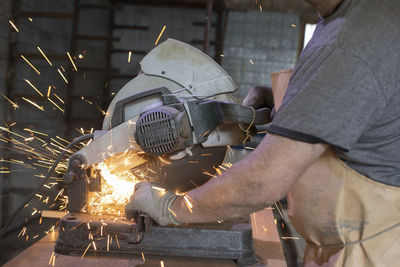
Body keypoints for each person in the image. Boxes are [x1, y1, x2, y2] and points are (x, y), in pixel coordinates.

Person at [125, 0, 400, 266]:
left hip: (372, 254)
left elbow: (263, 182)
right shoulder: (345, 17)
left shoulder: (351, 38)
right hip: (352, 244)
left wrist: (170, 207)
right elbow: (358, 103)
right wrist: (289, 103)